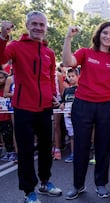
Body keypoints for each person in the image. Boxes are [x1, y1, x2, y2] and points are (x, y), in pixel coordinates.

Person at [0, 11, 62, 203]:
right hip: (23, 107)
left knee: (46, 148)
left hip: (45, 107)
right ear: (27, 25)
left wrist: (54, 96)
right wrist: (3, 36)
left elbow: (50, 78)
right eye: (34, 24)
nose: (38, 28)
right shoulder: (15, 46)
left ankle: (45, 182)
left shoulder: (49, 52)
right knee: (26, 151)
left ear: (46, 28)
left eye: (41, 25)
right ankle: (29, 192)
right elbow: (1, 58)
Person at [62, 21, 110, 200]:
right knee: (81, 147)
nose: (108, 37)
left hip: (107, 107)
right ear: (99, 34)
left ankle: (101, 184)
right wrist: (68, 37)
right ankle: (78, 185)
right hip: (83, 105)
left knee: (103, 147)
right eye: (105, 33)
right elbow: (68, 62)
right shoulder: (86, 52)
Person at [59, 68, 79, 163]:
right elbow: (64, 101)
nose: (71, 78)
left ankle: (81, 154)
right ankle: (73, 153)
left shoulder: (81, 89)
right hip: (67, 116)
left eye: (73, 76)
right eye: (69, 76)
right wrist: (62, 104)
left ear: (78, 76)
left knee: (79, 135)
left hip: (78, 116)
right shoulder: (67, 90)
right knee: (71, 135)